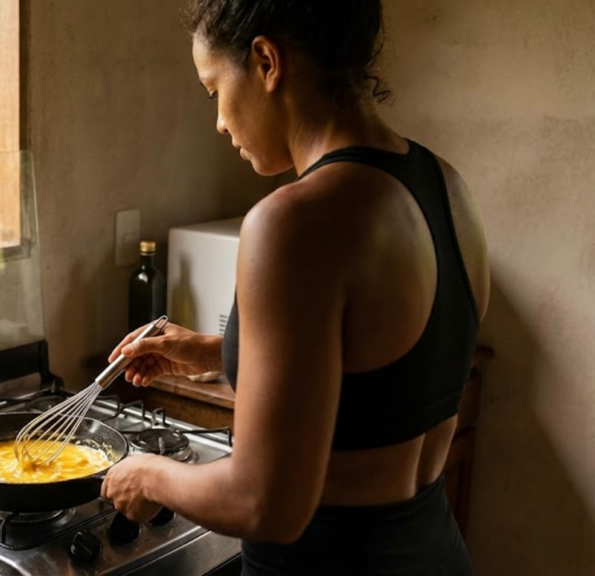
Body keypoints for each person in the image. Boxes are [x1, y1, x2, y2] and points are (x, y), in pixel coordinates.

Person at [99, 1, 490, 574]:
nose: (220, 122)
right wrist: (210, 353)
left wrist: (147, 475)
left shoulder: (292, 224)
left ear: (265, 61)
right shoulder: (447, 186)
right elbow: (380, 378)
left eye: (214, 92)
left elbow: (265, 503)